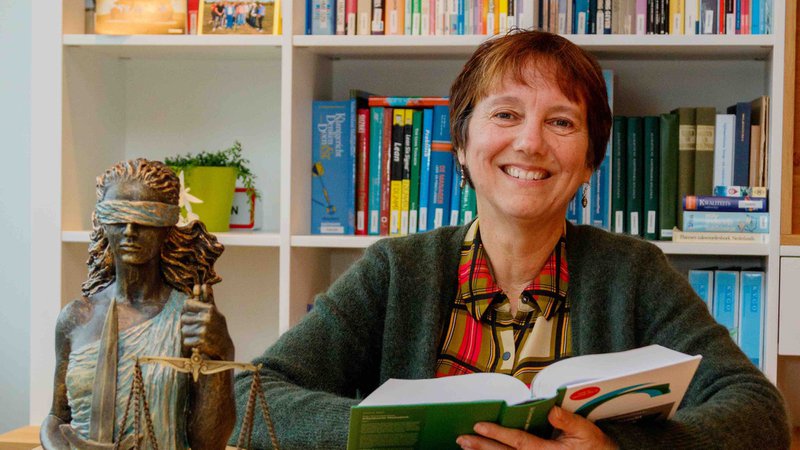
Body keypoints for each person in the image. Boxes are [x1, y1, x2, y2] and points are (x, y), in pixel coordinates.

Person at [232, 30, 791, 449]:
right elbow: (251, 397)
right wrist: (396, 435)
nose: (530, 143)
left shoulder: (636, 272)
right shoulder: (396, 270)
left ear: (590, 161)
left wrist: (617, 448)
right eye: (505, 113)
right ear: (462, 141)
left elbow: (759, 412)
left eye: (561, 122)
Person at [41, 159, 236, 450]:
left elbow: (208, 443)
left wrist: (221, 352)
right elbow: (57, 416)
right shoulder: (77, 318)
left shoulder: (188, 320)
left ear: (167, 227)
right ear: (103, 223)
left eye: (145, 218)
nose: (130, 230)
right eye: (118, 217)